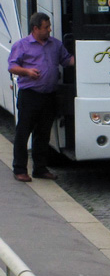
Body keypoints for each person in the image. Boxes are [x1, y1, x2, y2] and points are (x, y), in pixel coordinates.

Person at [8, 12, 74, 182]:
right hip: (30, 95)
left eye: (49, 26)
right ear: (36, 28)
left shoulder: (55, 45)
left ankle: (40, 168)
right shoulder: (22, 45)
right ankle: (20, 169)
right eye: (46, 27)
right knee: (23, 133)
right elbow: (12, 66)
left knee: (43, 134)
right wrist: (27, 72)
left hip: (49, 95)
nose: (49, 30)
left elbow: (66, 61)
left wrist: (88, 56)